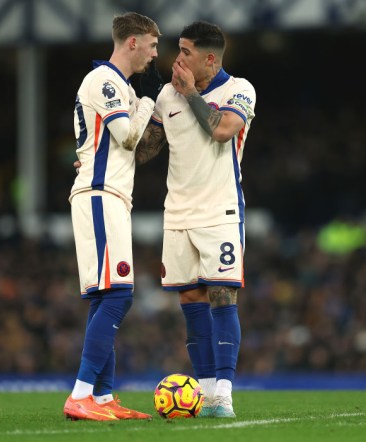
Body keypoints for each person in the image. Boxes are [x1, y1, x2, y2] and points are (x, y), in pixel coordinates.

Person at [75, 21, 256, 419]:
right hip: (176, 215)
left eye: (187, 53)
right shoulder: (166, 97)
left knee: (223, 296)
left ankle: (223, 393)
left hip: (221, 211)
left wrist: (190, 93)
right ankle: (206, 391)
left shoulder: (238, 90)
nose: (177, 59)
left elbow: (224, 130)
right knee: (191, 300)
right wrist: (94, 154)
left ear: (210, 58)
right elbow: (141, 151)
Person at [63, 11, 162, 422]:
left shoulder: (120, 87)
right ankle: (81, 394)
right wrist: (149, 102)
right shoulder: (104, 81)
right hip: (101, 194)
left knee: (106, 295)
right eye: (153, 44)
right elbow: (125, 136)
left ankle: (103, 398)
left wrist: (145, 106)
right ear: (133, 41)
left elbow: (140, 150)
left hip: (111, 196)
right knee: (120, 295)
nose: (156, 54)